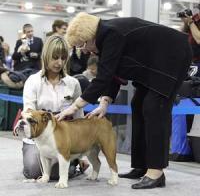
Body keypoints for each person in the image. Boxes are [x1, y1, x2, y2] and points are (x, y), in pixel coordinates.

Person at [56, 12, 192, 189]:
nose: (84, 50)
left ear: (90, 36)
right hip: (154, 63)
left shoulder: (112, 34)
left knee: (154, 107)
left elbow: (102, 78)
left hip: (173, 56)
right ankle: (142, 165)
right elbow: (113, 74)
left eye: (82, 44)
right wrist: (104, 103)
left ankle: (156, 171)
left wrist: (73, 107)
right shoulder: (105, 38)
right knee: (137, 103)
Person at [22, 35, 88, 180]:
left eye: (63, 58)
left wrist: (84, 154)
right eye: (55, 57)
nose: (59, 63)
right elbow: (28, 113)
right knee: (34, 171)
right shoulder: (32, 81)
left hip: (66, 139)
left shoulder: (73, 83)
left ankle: (75, 161)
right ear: (46, 56)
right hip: (37, 139)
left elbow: (79, 118)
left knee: (61, 174)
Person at [181, 12, 200, 77]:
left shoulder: (193, 22)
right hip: (190, 60)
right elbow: (183, 33)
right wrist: (186, 23)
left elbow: (199, 39)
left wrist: (191, 23)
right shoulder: (195, 18)